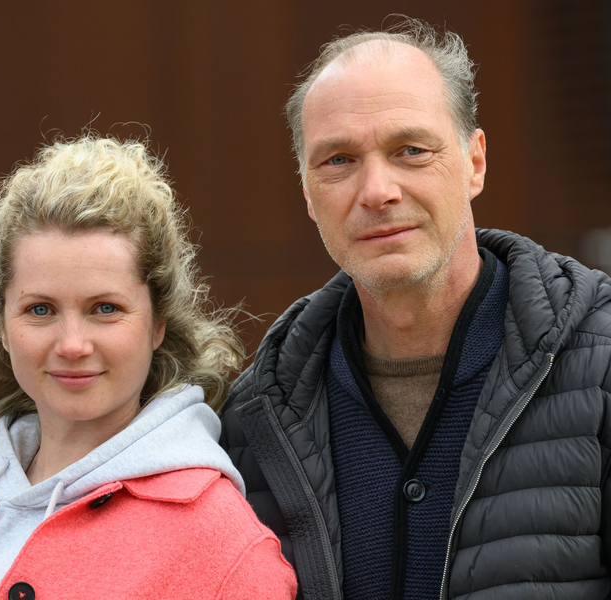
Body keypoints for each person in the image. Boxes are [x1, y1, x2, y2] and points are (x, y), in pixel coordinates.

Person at [221, 16, 611, 600]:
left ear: (474, 162)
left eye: (410, 150)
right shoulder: (256, 416)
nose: (377, 190)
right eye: (338, 161)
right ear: (306, 193)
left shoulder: (600, 359)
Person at [0, 136, 297, 600]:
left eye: (105, 308)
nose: (72, 344)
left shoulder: (226, 549)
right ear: (4, 328)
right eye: (41, 310)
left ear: (158, 325)